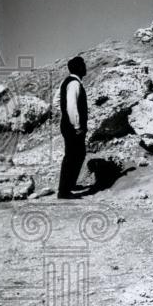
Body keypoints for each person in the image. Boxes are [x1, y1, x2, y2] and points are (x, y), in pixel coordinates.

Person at [57, 55, 88, 199]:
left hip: (67, 124)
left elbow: (57, 100)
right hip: (72, 126)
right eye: (84, 65)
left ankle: (70, 185)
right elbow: (71, 106)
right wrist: (77, 125)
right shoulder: (74, 83)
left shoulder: (68, 82)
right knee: (72, 156)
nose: (86, 67)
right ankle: (64, 191)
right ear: (79, 68)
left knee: (78, 154)